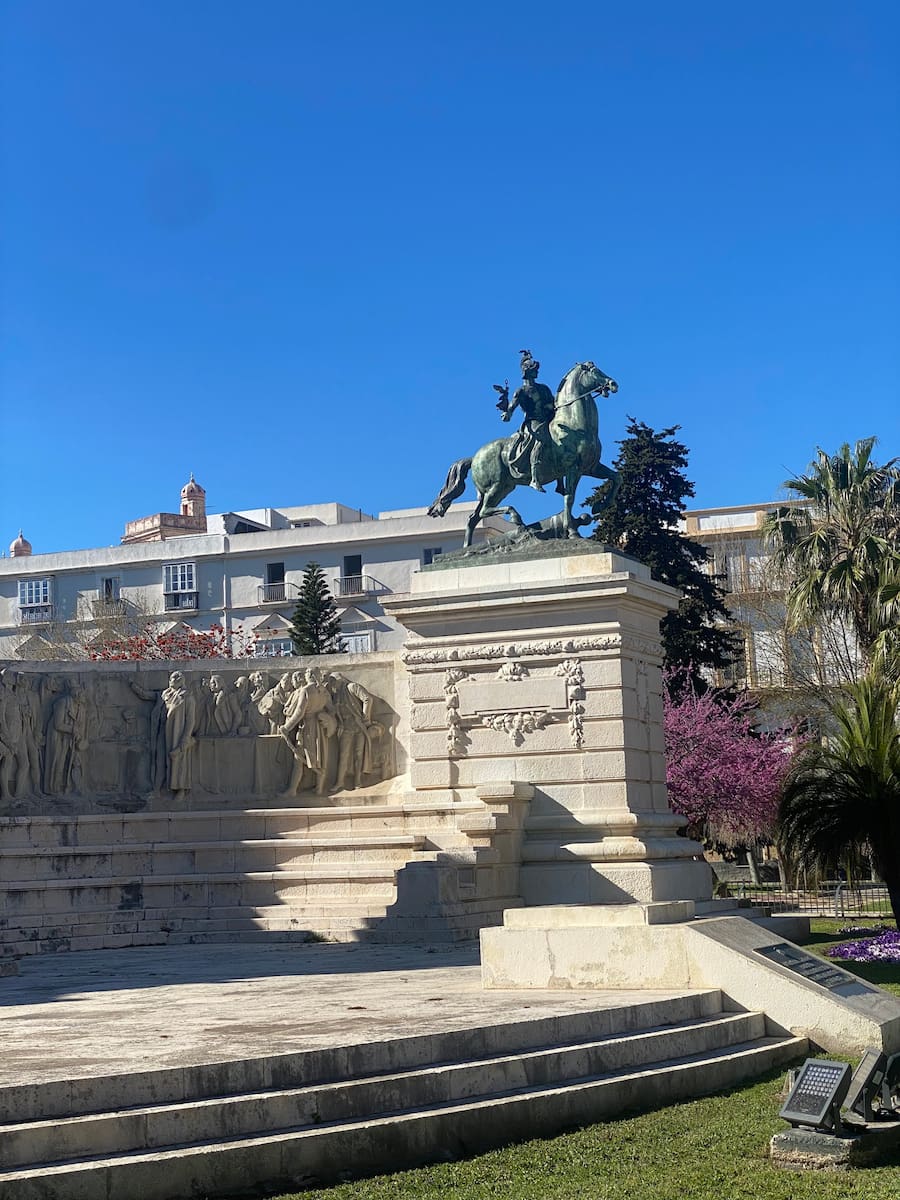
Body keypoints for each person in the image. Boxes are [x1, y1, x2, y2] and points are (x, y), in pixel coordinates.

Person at [498, 349, 556, 491]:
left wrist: (552, 406)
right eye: (534, 369)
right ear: (527, 371)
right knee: (541, 439)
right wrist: (508, 414)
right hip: (533, 422)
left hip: (549, 419)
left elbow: (554, 403)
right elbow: (512, 407)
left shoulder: (544, 388)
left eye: (536, 369)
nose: (537, 372)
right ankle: (534, 478)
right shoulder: (521, 391)